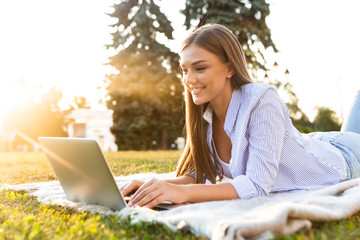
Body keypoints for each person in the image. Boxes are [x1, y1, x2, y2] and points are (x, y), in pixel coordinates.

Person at [120, 23, 360, 209]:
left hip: (346, 157)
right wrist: (157, 186)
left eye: (200, 68)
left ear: (229, 68)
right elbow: (200, 176)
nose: (189, 79)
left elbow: (256, 186)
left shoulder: (261, 99)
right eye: (185, 70)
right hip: (312, 142)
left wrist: (182, 193)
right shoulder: (205, 113)